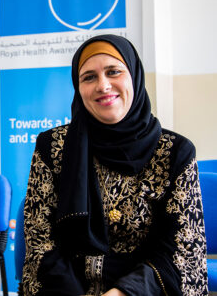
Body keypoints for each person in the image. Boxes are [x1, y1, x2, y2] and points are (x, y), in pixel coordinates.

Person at [22, 34, 208, 296]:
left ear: (134, 75)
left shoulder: (175, 152)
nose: (103, 85)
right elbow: (40, 237)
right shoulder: (52, 147)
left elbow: (181, 249)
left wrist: (122, 293)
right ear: (78, 87)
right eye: (89, 77)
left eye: (114, 72)